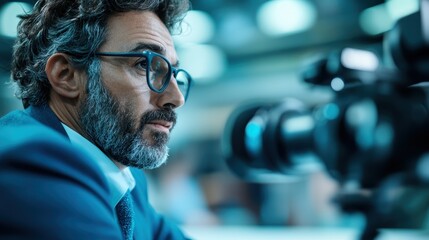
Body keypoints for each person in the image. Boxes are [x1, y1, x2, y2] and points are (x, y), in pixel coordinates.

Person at [0, 0, 193, 239]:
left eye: (172, 73)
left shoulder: (125, 180)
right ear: (66, 75)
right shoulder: (29, 161)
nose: (175, 98)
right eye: (145, 65)